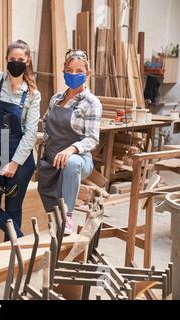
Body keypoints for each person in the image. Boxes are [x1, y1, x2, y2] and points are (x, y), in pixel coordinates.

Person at [0, 40, 41, 241]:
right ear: (6, 59)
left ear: (28, 61)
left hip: (19, 157)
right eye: (12, 59)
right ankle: (24, 242)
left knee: (13, 209)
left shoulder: (32, 94)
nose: (16, 63)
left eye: (20, 60)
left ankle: (12, 258)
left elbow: (31, 133)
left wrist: (14, 163)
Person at [37, 49, 102, 235]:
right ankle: (55, 219)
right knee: (48, 201)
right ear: (64, 71)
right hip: (52, 158)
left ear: (87, 74)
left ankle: (68, 216)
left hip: (79, 160)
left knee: (71, 163)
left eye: (79, 71)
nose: (73, 74)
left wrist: (71, 149)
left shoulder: (91, 103)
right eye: (69, 70)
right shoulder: (56, 99)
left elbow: (92, 139)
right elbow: (46, 127)